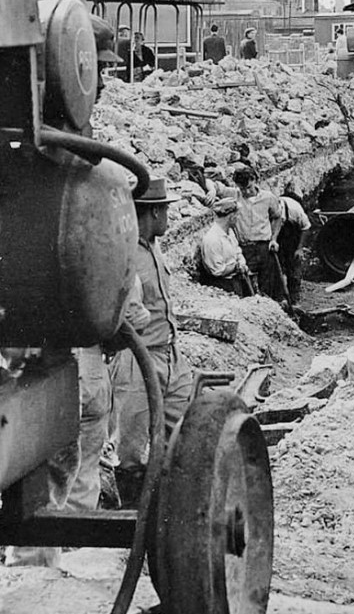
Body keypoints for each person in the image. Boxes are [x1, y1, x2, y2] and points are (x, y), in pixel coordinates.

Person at [107, 177, 195, 506]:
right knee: (129, 449)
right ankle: (132, 522)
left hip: (171, 357)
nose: (169, 218)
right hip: (137, 362)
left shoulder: (154, 249)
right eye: (166, 210)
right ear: (154, 213)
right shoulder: (125, 253)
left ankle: (171, 517)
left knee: (181, 439)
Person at [223, 166, 286, 303]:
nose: (246, 192)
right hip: (244, 248)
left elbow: (277, 217)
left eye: (249, 187)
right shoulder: (233, 195)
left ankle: (272, 310)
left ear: (256, 180)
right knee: (246, 283)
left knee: (268, 284)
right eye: (242, 188)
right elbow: (215, 188)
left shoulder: (268, 198)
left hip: (264, 246)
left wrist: (274, 239)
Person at [198, 198, 255, 297]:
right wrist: (236, 267)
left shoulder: (230, 232)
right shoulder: (212, 239)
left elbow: (238, 252)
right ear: (231, 217)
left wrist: (241, 262)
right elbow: (217, 271)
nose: (238, 218)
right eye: (237, 215)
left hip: (236, 280)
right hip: (223, 285)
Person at [276, 186, 311, 307]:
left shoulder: (294, 209)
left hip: (293, 237)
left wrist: (300, 248)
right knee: (276, 266)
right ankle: (280, 297)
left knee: (294, 266)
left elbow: (306, 228)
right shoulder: (268, 210)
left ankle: (294, 297)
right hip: (277, 238)